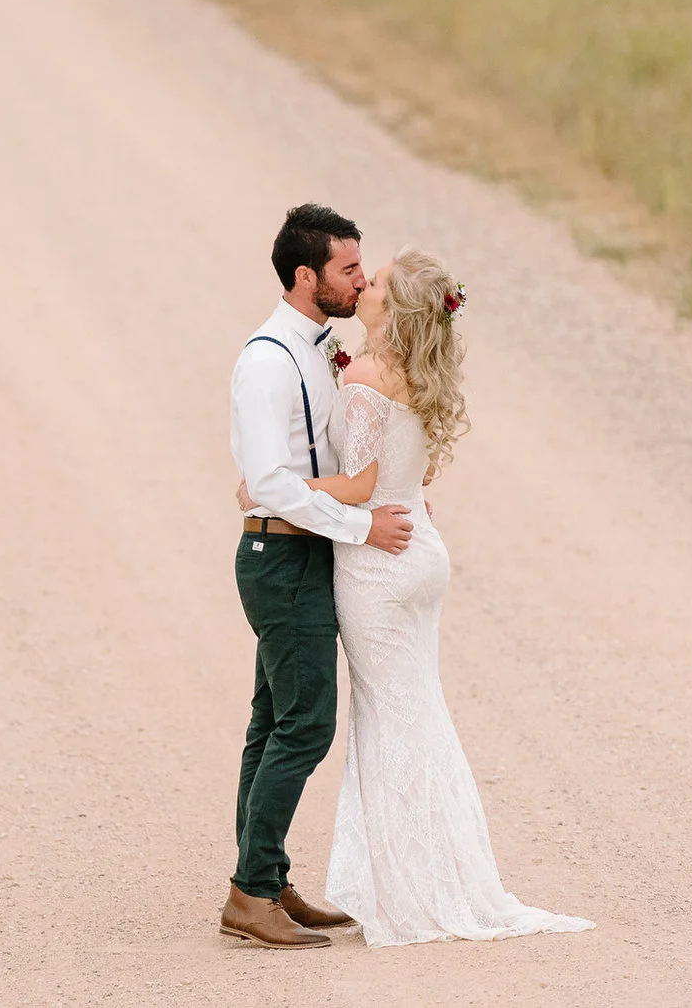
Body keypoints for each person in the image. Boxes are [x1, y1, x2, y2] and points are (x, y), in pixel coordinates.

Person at [251, 247, 594, 947]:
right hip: (421, 554)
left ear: (392, 306)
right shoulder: (416, 374)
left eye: (373, 282)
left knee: (389, 722)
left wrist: (270, 488)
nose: (363, 283)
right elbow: (422, 471)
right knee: (419, 714)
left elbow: (354, 487)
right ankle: (437, 874)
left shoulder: (368, 378)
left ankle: (411, 888)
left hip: (378, 562)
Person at [221, 205, 415, 949]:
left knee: (272, 723)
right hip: (282, 559)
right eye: (347, 269)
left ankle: (263, 877)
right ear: (306, 276)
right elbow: (271, 482)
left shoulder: (316, 349)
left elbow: (316, 466)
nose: (361, 280)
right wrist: (363, 526)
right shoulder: (268, 360)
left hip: (299, 554)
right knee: (305, 726)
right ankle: (251, 895)